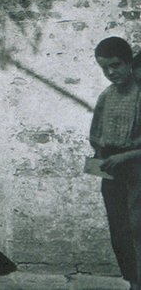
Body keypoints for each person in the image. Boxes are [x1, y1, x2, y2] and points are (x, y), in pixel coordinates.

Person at [90, 36, 141, 290]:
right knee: (120, 232)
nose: (111, 72)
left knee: (138, 228)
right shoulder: (106, 96)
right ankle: (133, 281)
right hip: (112, 173)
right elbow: (95, 133)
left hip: (137, 171)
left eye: (116, 65)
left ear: (129, 62)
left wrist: (126, 155)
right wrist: (101, 154)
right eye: (105, 68)